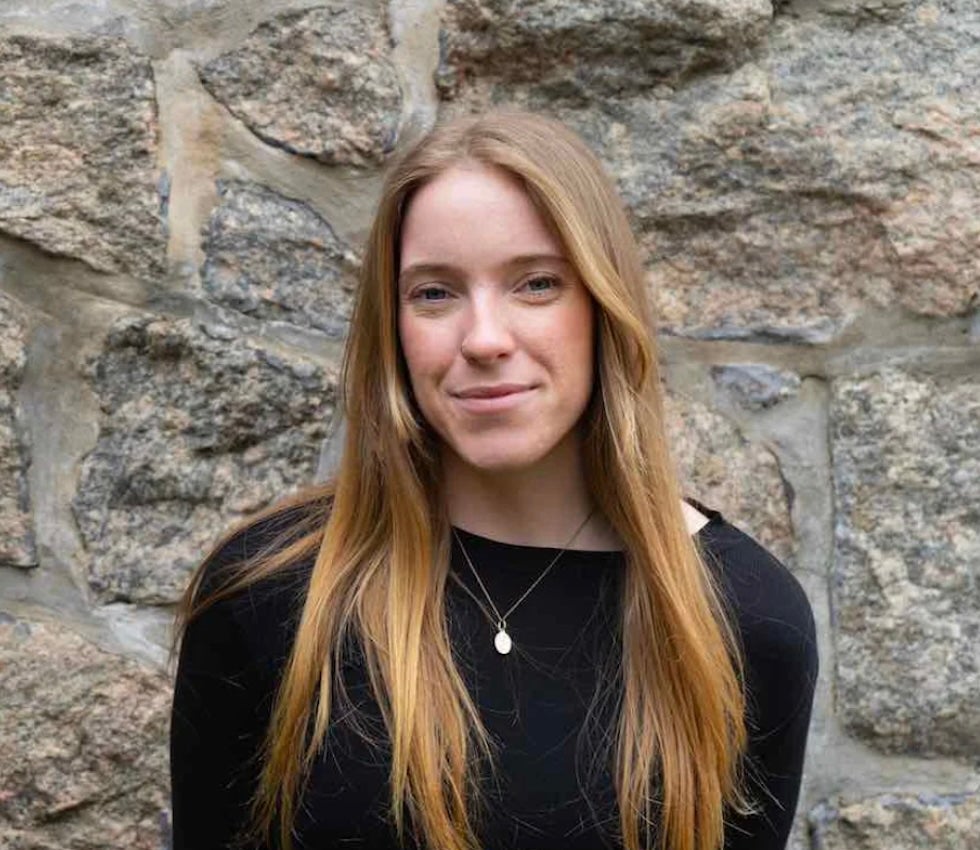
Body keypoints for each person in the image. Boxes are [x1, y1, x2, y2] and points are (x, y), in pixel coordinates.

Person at [170, 110, 818, 850]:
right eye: (435, 293)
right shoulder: (270, 595)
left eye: (536, 284)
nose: (483, 339)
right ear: (393, 328)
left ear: (604, 307)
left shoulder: (743, 620)